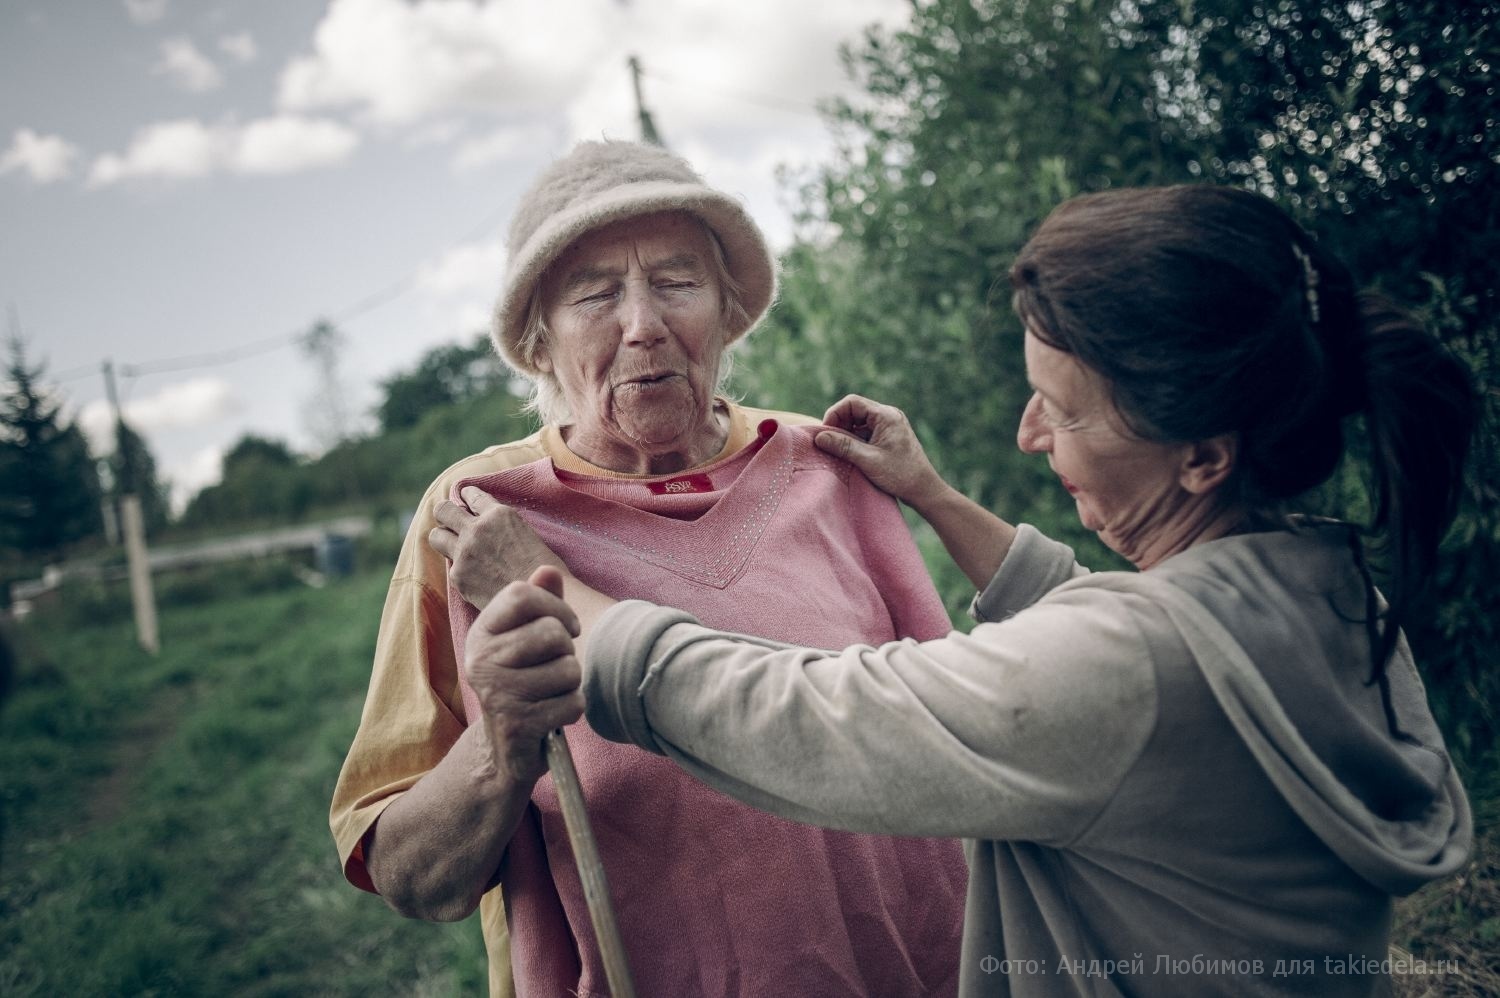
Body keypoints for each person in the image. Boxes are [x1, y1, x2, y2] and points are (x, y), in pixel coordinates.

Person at [475, 184, 1477, 996]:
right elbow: (1118, 644)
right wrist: (937, 498)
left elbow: (814, 719)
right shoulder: (1334, 590)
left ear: (1205, 455)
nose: (1029, 433)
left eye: (1065, 409)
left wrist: (557, 595)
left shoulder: (1128, 670)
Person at [329, 139, 966, 998]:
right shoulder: (476, 517)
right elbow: (411, 877)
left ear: (727, 311)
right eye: (594, 293)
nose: (643, 324)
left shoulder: (830, 466)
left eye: (677, 282)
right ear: (537, 340)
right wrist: (501, 745)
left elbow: (956, 738)